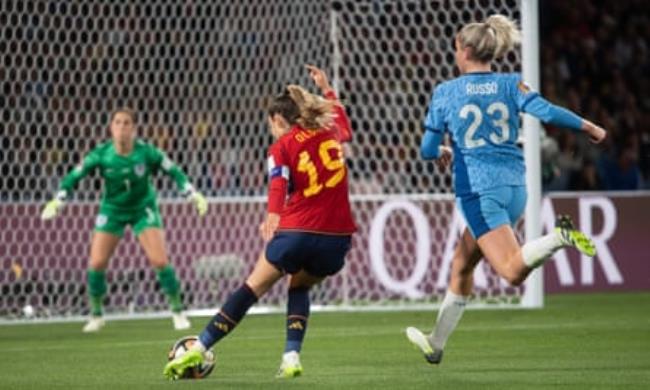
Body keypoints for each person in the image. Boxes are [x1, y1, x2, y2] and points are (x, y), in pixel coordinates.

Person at [406, 15, 607, 364]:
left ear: (466, 50)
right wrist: (586, 124)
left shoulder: (445, 92)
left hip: (480, 193)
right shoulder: (512, 84)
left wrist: (442, 151)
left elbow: (426, 151)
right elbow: (545, 111)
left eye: (456, 48)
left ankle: (559, 236)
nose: (454, 53)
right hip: (515, 189)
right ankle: (435, 343)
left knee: (512, 272)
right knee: (462, 263)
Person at [163, 65, 355, 380]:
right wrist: (327, 88)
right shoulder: (330, 131)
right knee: (300, 284)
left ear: (279, 121)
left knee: (253, 287)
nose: (272, 131)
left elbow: (278, 181)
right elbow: (344, 122)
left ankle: (199, 346)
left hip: (296, 229)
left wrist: (273, 213)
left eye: (272, 126)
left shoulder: (282, 145)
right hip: (337, 237)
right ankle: (291, 356)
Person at [41, 108, 208, 332]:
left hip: (143, 208)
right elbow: (74, 176)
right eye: (117, 123)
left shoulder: (147, 152)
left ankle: (178, 311)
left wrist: (193, 194)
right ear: (111, 128)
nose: (121, 128)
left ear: (134, 128)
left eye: (126, 123)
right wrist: (58, 201)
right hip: (112, 209)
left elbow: (175, 172)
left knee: (159, 261)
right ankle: (96, 315)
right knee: (97, 263)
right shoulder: (102, 154)